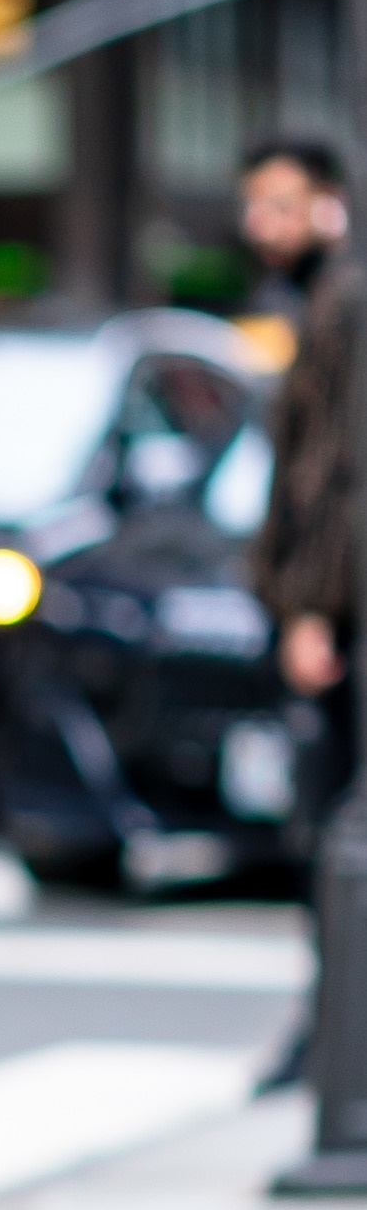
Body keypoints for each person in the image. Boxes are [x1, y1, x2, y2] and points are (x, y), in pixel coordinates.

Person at [239, 137, 361, 1091]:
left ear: (329, 203)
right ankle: (328, 1031)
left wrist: (313, 610)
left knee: (335, 832)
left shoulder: (348, 299)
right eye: (255, 206)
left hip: (339, 618)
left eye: (281, 205)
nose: (261, 227)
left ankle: (335, 1039)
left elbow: (338, 477)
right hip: (326, 607)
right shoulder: (321, 300)